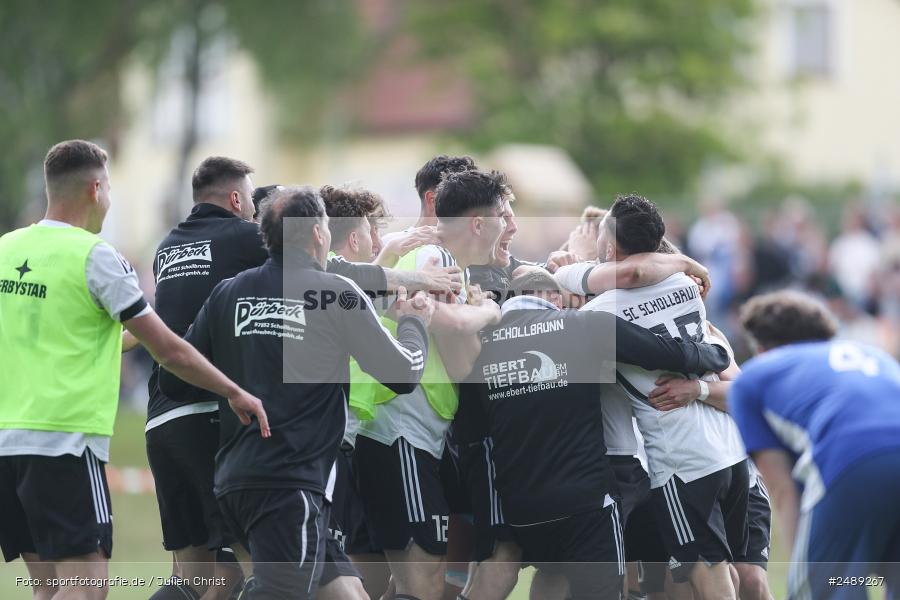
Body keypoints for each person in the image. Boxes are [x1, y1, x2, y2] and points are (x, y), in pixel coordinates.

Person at [0, 139, 268, 600]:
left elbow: (90, 335)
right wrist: (234, 391)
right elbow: (169, 350)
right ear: (97, 188)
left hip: (7, 445)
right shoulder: (96, 257)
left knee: (48, 590)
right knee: (86, 589)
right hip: (64, 441)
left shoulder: (7, 248)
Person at [161, 186, 435, 599]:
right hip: (287, 485)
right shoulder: (336, 294)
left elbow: (173, 381)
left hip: (238, 481)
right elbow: (402, 374)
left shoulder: (228, 293)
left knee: (349, 594)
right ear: (319, 235)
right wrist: (415, 324)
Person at [462, 268, 732, 600]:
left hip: (522, 511)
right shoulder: (581, 325)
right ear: (556, 299)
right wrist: (716, 354)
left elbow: (473, 431)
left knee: (552, 576)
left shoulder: (479, 349)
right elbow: (661, 352)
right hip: (587, 504)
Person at [581, 195, 749, 600]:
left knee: (706, 574)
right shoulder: (686, 285)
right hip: (728, 448)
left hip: (680, 458)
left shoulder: (601, 310)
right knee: (719, 571)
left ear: (608, 249)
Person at [354, 169, 506, 600]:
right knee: (422, 585)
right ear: (478, 223)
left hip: (416, 435)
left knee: (412, 584)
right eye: (501, 213)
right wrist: (490, 312)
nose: (509, 222)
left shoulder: (449, 266)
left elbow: (464, 358)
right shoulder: (431, 261)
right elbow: (454, 327)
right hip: (397, 431)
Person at [146, 156, 266, 599]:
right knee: (259, 564)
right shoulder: (243, 236)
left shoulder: (166, 247)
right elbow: (309, 270)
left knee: (197, 578)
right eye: (252, 199)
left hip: (160, 419)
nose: (255, 209)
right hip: (210, 415)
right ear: (236, 198)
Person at [729, 290, 900, 600]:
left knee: (827, 588)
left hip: (851, 460)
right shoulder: (870, 354)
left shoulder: (753, 378)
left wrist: (805, 565)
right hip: (877, 455)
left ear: (762, 347)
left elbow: (782, 489)